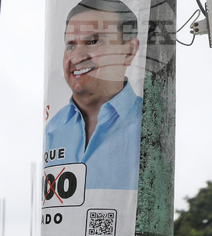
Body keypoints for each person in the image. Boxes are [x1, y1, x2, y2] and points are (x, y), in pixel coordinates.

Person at [45, 0, 142, 191]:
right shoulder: (53, 128)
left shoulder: (149, 123)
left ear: (129, 51)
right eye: (71, 46)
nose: (77, 57)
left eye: (93, 42)